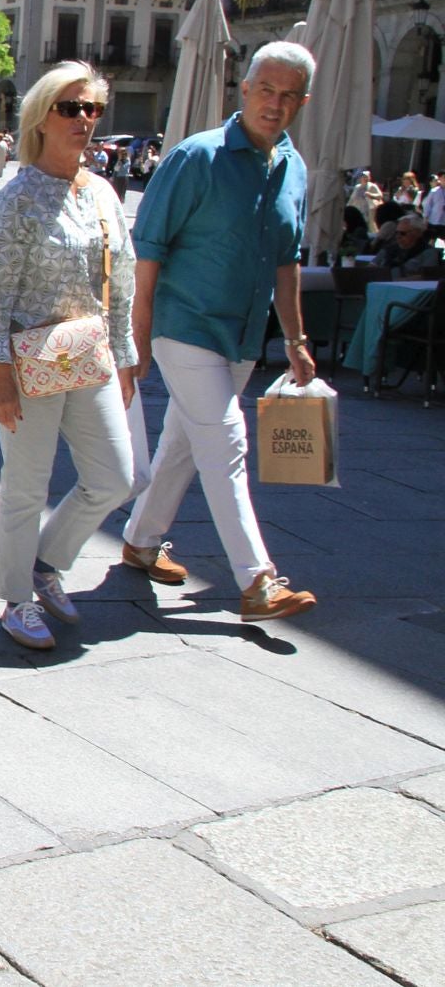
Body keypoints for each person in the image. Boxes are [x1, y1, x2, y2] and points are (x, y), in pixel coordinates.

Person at [118, 41, 320, 621]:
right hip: (185, 325)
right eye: (265, 90)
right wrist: (138, 336)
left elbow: (287, 260)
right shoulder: (196, 157)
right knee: (226, 441)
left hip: (243, 335)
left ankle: (140, 539)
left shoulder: (294, 167)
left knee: (185, 442)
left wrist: (297, 340)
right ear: (244, 87)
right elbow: (148, 250)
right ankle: (257, 580)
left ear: (301, 102)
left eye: (287, 96)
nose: (274, 105)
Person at [0, 63, 138, 651]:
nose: (85, 120)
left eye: (92, 108)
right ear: (42, 117)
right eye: (71, 108)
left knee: (116, 477)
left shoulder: (101, 193)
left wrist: (126, 359)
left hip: (87, 355)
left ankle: (47, 561)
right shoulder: (18, 197)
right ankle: (17, 599)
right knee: (25, 485)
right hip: (28, 355)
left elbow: (120, 282)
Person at [375, 211, 442, 277]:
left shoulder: (428, 253)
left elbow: (427, 277)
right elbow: (371, 270)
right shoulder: (387, 250)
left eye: (403, 233)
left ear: (418, 233)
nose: (398, 236)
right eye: (396, 233)